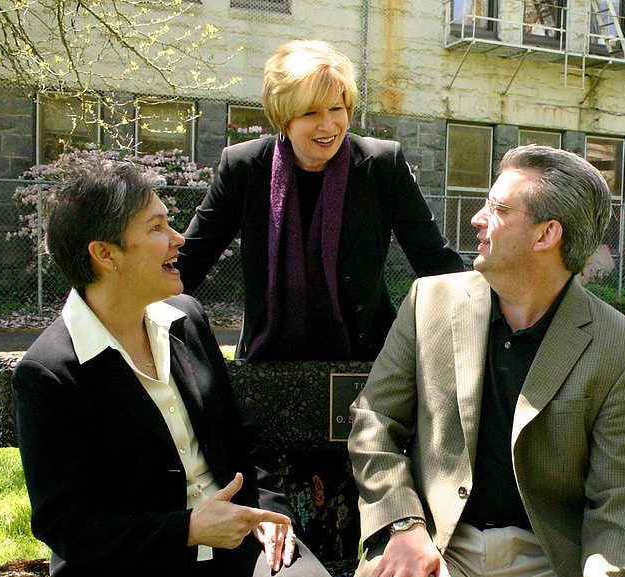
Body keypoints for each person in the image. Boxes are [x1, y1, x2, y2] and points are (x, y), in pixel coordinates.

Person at [12, 156, 364, 577]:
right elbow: (70, 526)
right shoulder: (51, 373)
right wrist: (188, 529)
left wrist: (267, 516)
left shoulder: (185, 320)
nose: (179, 239)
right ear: (105, 254)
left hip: (235, 543)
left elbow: (241, 440)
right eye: (157, 228)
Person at [346, 144, 625, 577]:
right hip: (438, 547)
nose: (477, 218)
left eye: (497, 209)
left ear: (547, 235)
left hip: (552, 566)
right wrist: (402, 525)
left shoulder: (622, 348)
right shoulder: (431, 301)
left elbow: (621, 494)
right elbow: (375, 421)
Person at [177, 39, 464, 362]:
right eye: (310, 112)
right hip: (267, 359)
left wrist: (486, 313)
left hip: (366, 360)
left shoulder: (382, 164)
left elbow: (436, 264)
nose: (327, 126)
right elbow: (189, 261)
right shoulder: (244, 167)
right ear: (283, 117)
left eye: (336, 109)